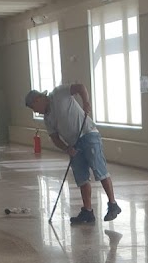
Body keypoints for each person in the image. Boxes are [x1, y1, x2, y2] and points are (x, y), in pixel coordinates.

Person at [25, 84, 121, 226]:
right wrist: (66, 148)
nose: (36, 111)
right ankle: (88, 211)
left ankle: (113, 204)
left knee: (99, 170)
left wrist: (86, 102)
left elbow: (80, 87)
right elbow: (54, 137)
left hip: (88, 134)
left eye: (34, 108)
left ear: (38, 99)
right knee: (82, 178)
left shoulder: (58, 93)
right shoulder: (47, 118)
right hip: (73, 145)